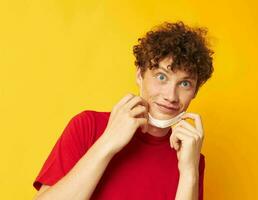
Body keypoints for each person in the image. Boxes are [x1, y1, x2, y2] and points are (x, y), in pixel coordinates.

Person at [33, 21, 214, 200]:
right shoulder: (88, 126)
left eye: (185, 83)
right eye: (161, 77)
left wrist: (189, 172)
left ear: (195, 91)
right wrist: (107, 143)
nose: (171, 96)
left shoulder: (189, 155)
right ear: (139, 75)